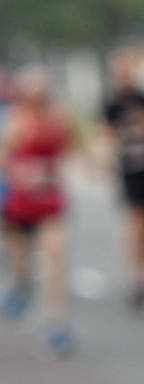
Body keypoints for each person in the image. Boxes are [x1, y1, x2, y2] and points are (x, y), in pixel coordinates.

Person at [1, 67, 73, 357]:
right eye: (33, 96)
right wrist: (18, 171)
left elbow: (71, 151)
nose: (38, 101)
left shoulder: (59, 121)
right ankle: (20, 285)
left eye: (42, 96)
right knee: (22, 260)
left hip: (49, 203)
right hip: (19, 206)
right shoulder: (14, 122)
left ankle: (56, 324)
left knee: (55, 257)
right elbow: (4, 158)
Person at [102, 51, 144, 315]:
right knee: (136, 220)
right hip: (129, 171)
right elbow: (105, 135)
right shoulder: (112, 105)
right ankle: (136, 277)